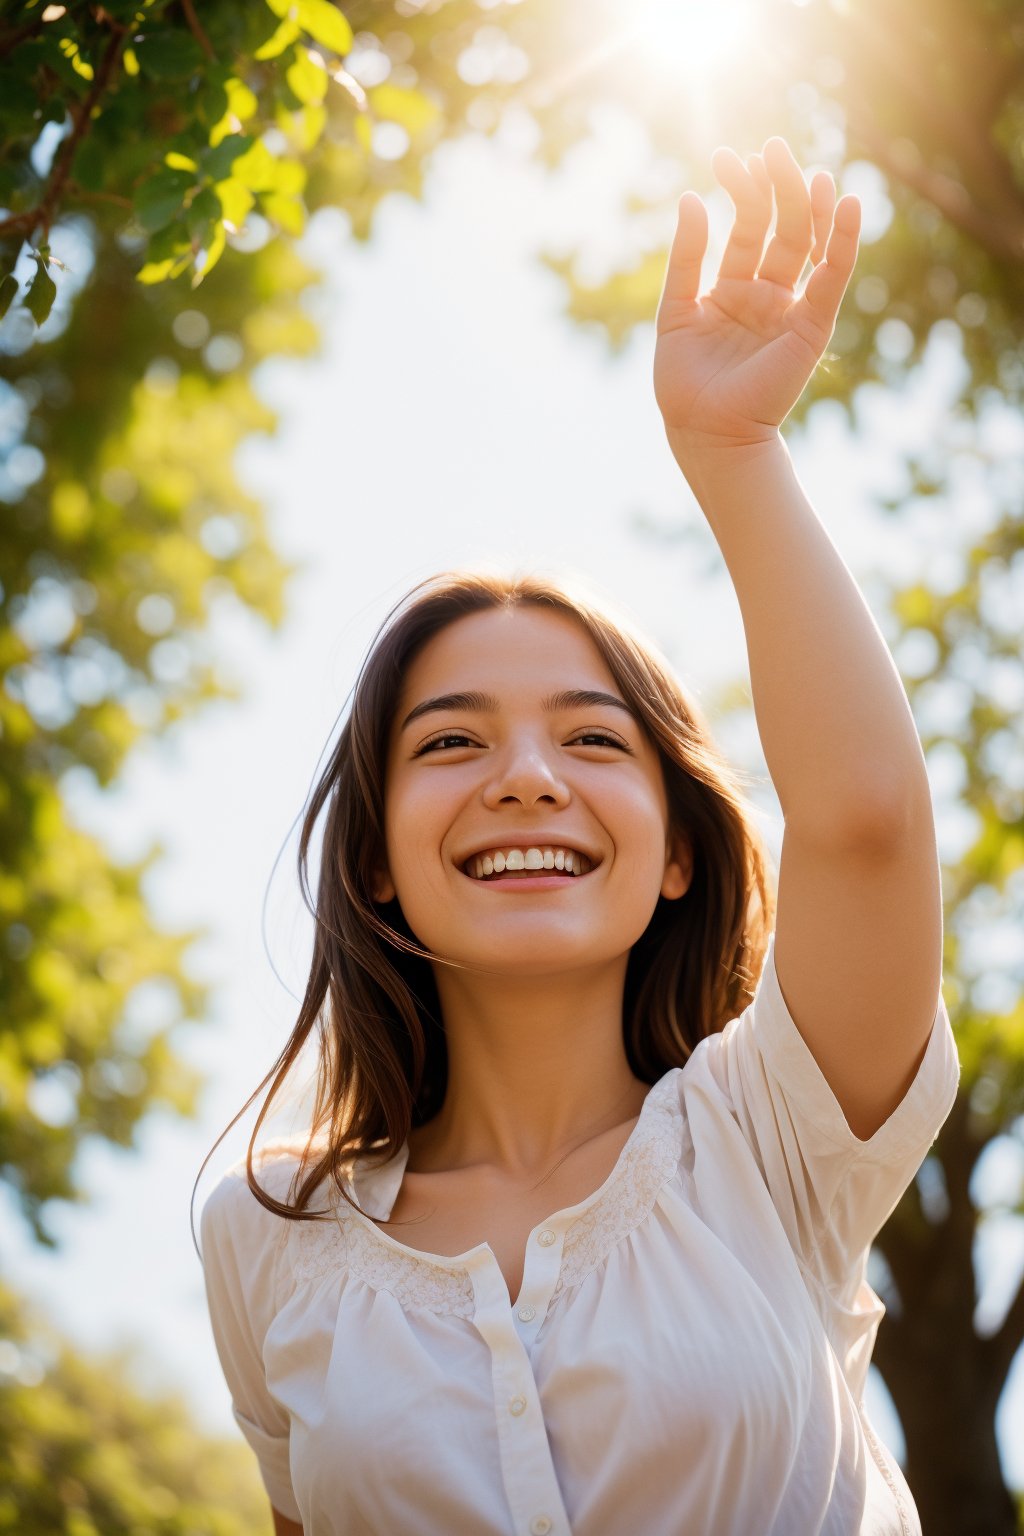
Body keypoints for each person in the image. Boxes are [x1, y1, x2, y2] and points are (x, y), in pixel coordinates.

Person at [195, 136, 961, 1536]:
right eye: (450, 742)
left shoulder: (770, 1132)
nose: (528, 777)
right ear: (374, 857)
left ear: (678, 852)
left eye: (594, 737)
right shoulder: (264, 1236)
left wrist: (731, 451)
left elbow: (862, 827)